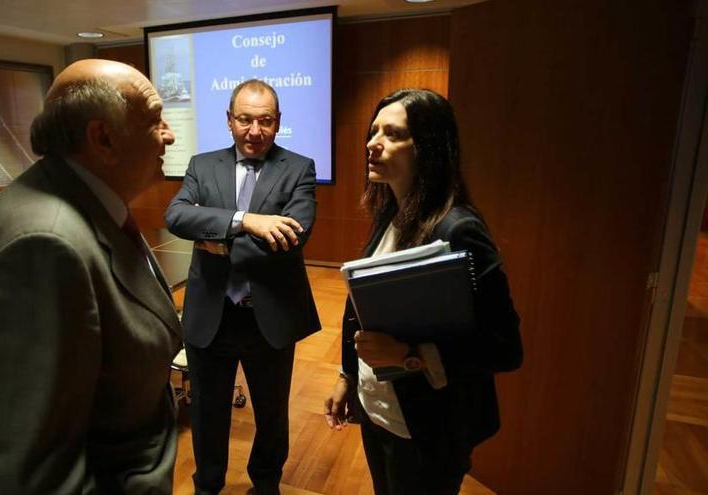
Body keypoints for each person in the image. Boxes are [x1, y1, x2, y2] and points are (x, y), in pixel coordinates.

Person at [0, 59, 182, 494]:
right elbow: (38, 475)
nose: (169, 133)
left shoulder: (88, 199)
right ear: (103, 139)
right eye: (155, 120)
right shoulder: (44, 247)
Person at [323, 89, 524, 495]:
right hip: (379, 411)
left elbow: (505, 348)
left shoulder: (459, 230)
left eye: (393, 134)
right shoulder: (390, 213)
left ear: (429, 149)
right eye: (374, 130)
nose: (372, 143)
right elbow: (361, 308)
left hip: (428, 425)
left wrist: (408, 356)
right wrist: (348, 376)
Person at [165, 79, 321, 495]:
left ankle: (266, 483)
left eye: (265, 121)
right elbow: (177, 216)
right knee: (207, 413)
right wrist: (245, 221)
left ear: (278, 123)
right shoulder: (202, 164)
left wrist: (213, 233)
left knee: (271, 414)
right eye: (246, 120)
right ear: (229, 120)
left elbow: (293, 236)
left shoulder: (299, 167)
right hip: (209, 316)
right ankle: (208, 485)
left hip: (267, 315)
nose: (255, 131)